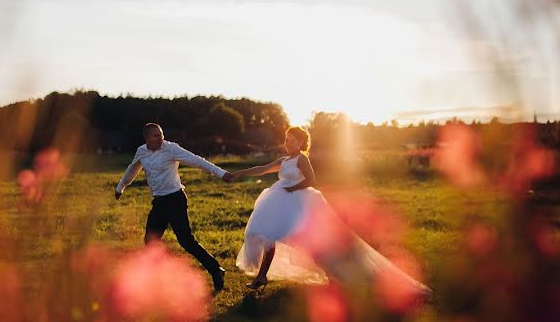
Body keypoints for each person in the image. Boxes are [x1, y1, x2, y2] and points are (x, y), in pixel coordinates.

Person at [229, 127, 431, 298]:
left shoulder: (301, 160)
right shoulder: (283, 160)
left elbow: (311, 180)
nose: (287, 143)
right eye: (286, 140)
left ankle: (335, 274)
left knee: (311, 243)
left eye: (291, 141)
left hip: (300, 201)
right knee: (268, 236)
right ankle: (261, 276)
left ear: (300, 143)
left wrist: (291, 188)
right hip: (280, 201)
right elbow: (262, 169)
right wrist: (239, 173)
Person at [115, 123, 233, 293]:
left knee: (186, 241)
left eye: (161, 134)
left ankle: (216, 270)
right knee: (150, 242)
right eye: (156, 135)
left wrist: (221, 174)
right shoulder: (142, 151)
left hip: (175, 200)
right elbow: (132, 169)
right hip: (159, 203)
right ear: (147, 138)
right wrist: (120, 188)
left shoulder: (171, 149)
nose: (160, 138)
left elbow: (197, 161)